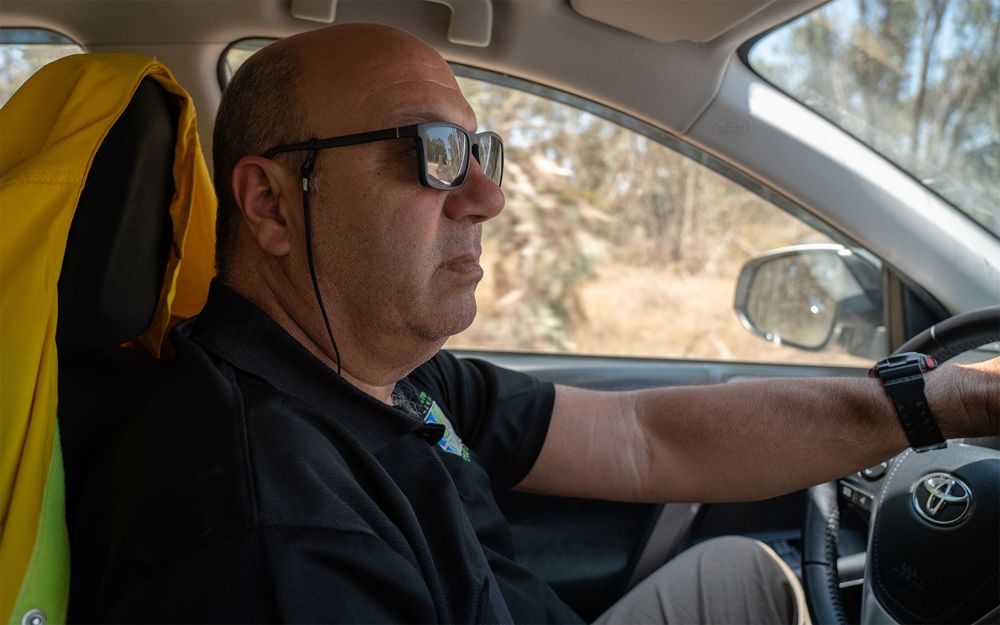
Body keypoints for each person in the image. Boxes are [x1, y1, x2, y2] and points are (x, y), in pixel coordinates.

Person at [70, 23, 998, 624]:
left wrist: (948, 401)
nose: (487, 195)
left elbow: (644, 437)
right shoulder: (272, 541)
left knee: (752, 576)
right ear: (270, 205)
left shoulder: (381, 371)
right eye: (430, 154)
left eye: (481, 150)